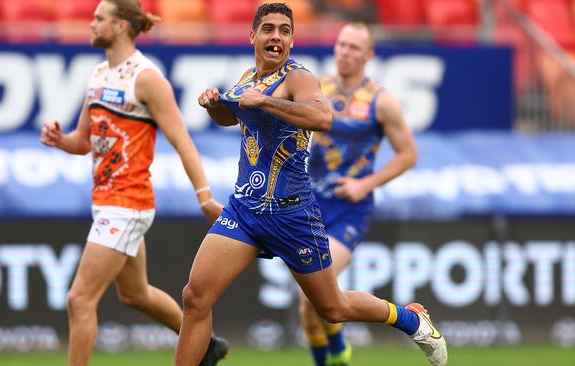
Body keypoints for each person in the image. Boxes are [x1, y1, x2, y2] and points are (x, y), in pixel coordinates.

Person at [175, 3, 447, 366]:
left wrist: (266, 101)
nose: (276, 36)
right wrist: (213, 105)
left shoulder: (298, 77)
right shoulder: (247, 78)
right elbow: (231, 115)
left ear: (291, 39)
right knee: (195, 297)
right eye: (268, 28)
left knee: (332, 308)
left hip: (293, 215)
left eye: (284, 30)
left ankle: (411, 318)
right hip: (246, 210)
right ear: (252, 35)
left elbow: (322, 116)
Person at [39, 1, 228, 365]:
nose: (90, 24)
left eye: (99, 19)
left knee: (79, 300)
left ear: (122, 26)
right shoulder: (97, 75)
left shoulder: (147, 78)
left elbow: (182, 140)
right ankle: (206, 345)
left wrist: (204, 196)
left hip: (127, 204)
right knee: (135, 294)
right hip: (108, 201)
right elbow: (83, 141)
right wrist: (60, 140)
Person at [301, 22, 418, 366]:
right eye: (341, 44)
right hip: (308, 203)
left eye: (354, 47)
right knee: (307, 309)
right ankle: (336, 348)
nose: (345, 52)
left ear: (368, 55)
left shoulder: (381, 102)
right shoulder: (317, 87)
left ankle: (337, 350)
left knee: (316, 295)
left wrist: (365, 185)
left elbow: (408, 154)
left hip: (349, 209)